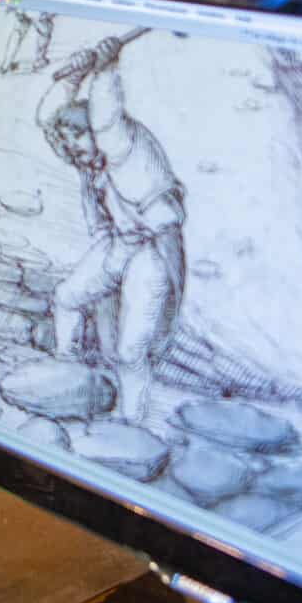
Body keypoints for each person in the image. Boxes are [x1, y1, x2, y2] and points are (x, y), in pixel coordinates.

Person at [38, 31, 185, 426]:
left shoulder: (125, 153)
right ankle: (65, 375)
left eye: (77, 138)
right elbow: (47, 117)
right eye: (67, 142)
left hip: (150, 255)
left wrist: (105, 68)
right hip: (117, 246)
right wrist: (77, 72)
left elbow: (105, 118)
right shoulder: (87, 155)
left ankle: (131, 424)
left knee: (131, 350)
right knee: (67, 297)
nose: (71, 149)